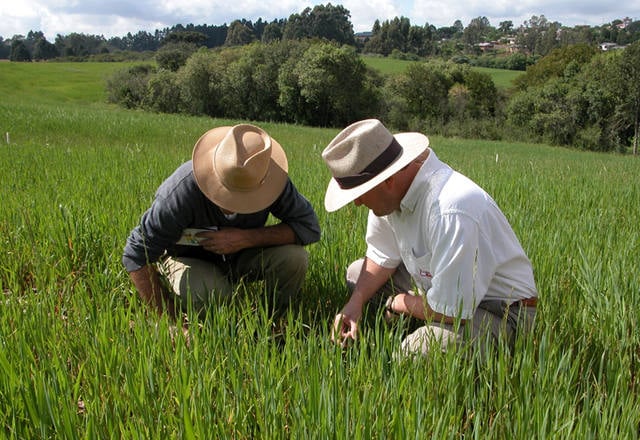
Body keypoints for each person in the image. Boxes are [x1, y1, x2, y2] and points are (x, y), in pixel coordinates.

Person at [321, 119, 537, 357]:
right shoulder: (388, 198)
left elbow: (454, 312)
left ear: (388, 181)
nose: (357, 202)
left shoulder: (451, 209)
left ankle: (423, 331)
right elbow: (381, 255)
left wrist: (400, 302)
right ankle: (420, 319)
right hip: (440, 293)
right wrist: (355, 303)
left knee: (415, 353)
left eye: (360, 193)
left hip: (499, 312)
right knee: (357, 275)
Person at [123, 123, 321, 328]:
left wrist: (245, 239)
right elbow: (136, 253)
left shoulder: (268, 178)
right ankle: (218, 314)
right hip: (189, 258)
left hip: (244, 253)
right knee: (211, 295)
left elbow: (309, 228)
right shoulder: (180, 192)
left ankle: (270, 322)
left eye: (248, 197)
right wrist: (170, 323)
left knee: (295, 259)